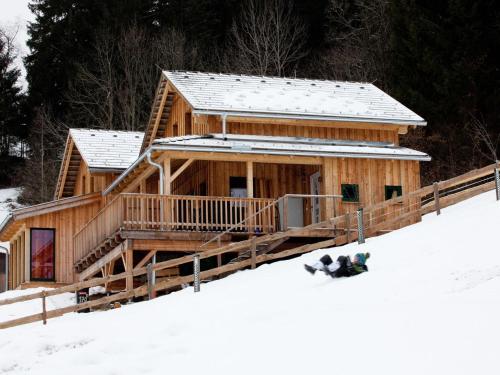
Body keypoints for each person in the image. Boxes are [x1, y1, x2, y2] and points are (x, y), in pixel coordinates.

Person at [304, 252, 370, 278]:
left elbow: (354, 272)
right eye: (355, 257)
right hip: (336, 268)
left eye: (356, 258)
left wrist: (349, 265)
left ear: (360, 261)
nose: (354, 259)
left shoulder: (362, 267)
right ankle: (313, 269)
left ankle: (329, 269)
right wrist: (349, 263)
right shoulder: (352, 263)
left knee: (343, 258)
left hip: (338, 272)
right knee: (327, 257)